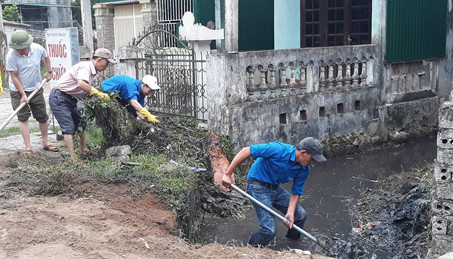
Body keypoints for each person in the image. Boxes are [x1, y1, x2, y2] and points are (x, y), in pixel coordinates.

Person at [222, 137, 327, 247]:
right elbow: (246, 150)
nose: (313, 162)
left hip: (275, 188)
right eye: (312, 158)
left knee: (300, 215)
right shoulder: (278, 149)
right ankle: (249, 249)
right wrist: (228, 174)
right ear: (303, 152)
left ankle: (290, 244)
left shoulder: (304, 169)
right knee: (269, 230)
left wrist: (290, 212)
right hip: (257, 186)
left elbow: (296, 191)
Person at [49, 48, 116, 163]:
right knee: (69, 127)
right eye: (106, 63)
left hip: (72, 98)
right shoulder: (85, 67)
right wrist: (97, 93)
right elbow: (81, 84)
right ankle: (73, 158)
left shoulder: (92, 72)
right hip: (60, 97)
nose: (107, 66)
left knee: (80, 123)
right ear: (99, 60)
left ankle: (83, 149)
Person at [5, 30, 56, 153]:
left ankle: (46, 142)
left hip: (36, 87)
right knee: (23, 118)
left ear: (28, 45)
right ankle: (28, 147)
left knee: (42, 116)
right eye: (17, 48)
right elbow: (14, 76)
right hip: (17, 91)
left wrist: (49, 72)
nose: (19, 51)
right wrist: (23, 94)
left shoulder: (38, 49)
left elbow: (46, 57)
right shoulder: (11, 56)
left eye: (21, 48)